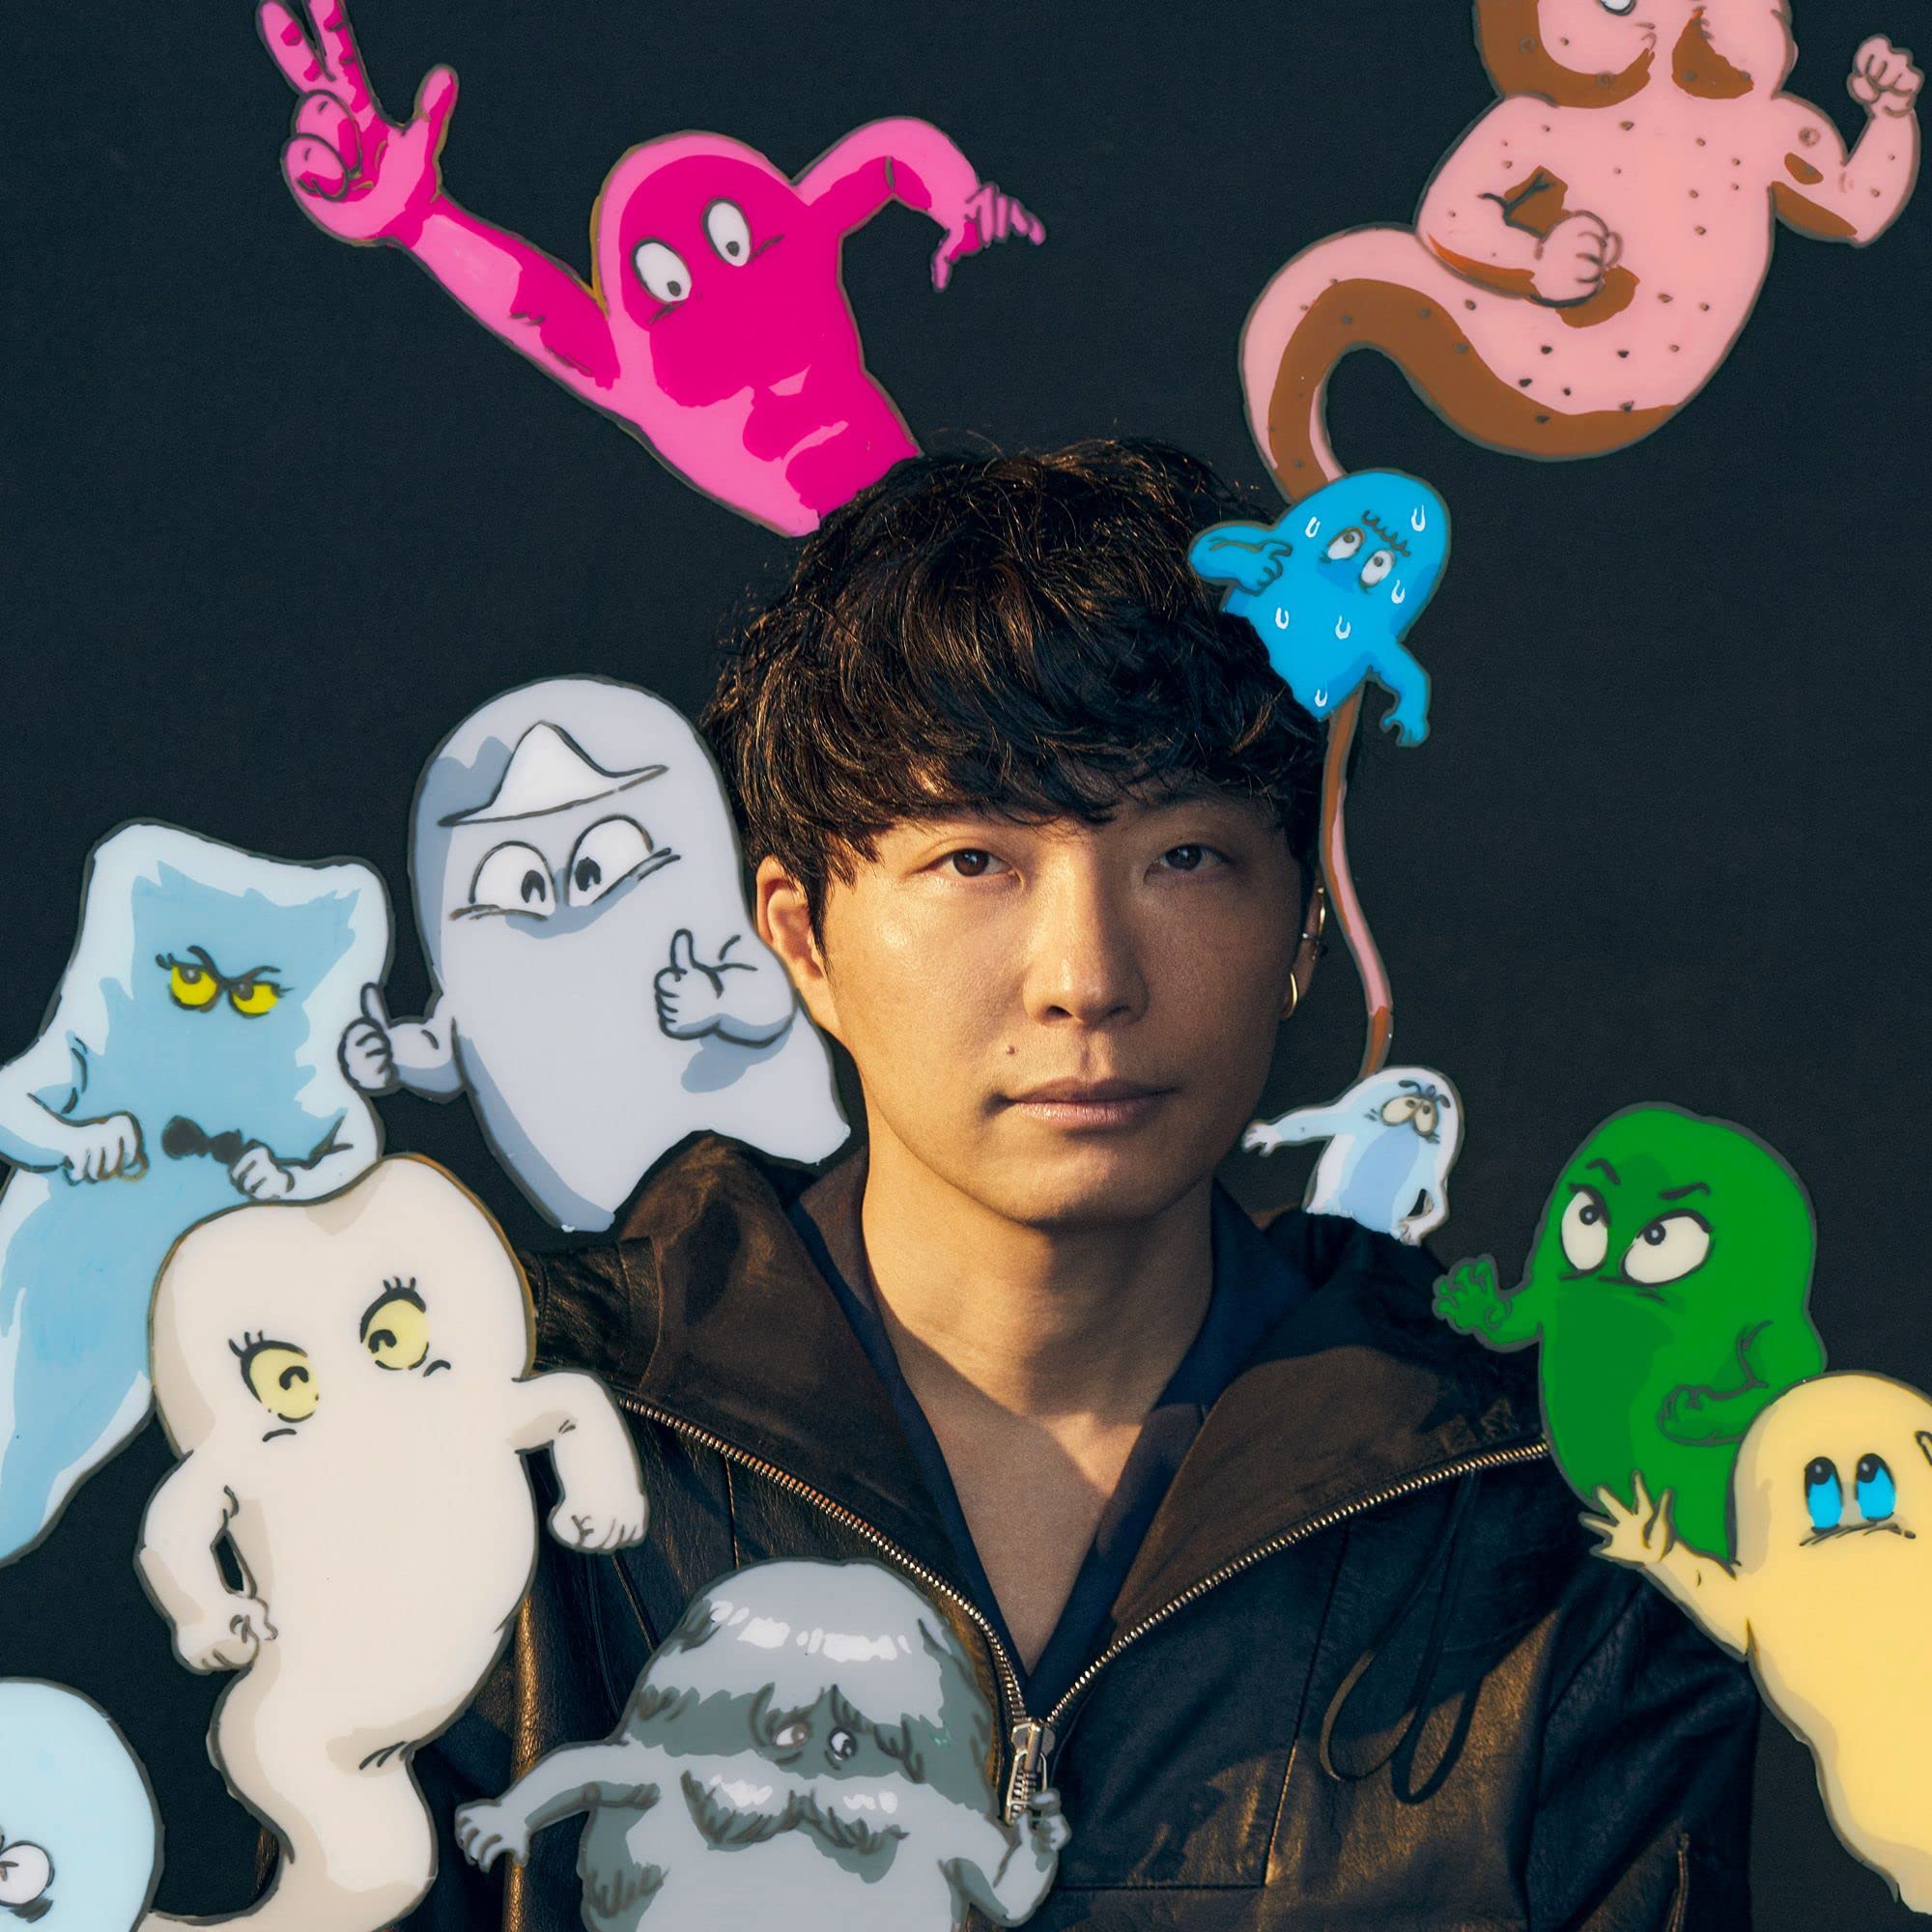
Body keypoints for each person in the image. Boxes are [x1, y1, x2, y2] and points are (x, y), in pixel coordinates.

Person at [412, 440, 1757, 1928]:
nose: (1086, 978)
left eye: (1183, 857)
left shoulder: (1544, 1529)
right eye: (974, 860)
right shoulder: (510, 1449)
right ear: (800, 936)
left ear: (1304, 926)